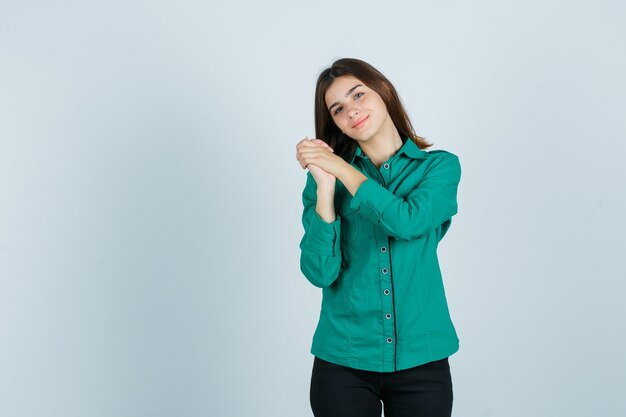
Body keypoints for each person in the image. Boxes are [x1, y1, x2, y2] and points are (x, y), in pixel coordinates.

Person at [295, 58, 462, 417]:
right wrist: (325, 187)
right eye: (338, 109)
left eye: (358, 95)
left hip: (423, 360)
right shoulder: (327, 177)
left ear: (384, 92)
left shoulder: (439, 168)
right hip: (343, 360)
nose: (351, 111)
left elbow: (407, 221)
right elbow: (319, 273)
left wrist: (340, 168)